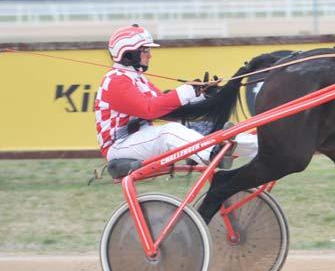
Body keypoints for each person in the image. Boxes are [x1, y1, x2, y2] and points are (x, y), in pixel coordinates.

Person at [94, 24, 257, 166]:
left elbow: (166, 109)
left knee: (212, 130)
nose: (149, 55)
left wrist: (201, 95)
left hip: (139, 138)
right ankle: (211, 154)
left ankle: (262, 148)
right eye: (145, 50)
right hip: (119, 145)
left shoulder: (138, 79)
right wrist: (186, 91)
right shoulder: (115, 81)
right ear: (128, 53)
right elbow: (149, 109)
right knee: (169, 132)